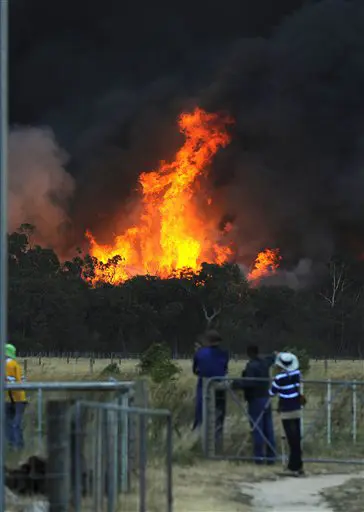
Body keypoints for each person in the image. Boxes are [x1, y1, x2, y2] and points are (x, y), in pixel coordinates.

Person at [233, 344, 276, 464]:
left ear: (249, 353)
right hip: (266, 398)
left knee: (257, 429)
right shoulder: (264, 363)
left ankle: (259, 458)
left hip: (255, 399)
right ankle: (271, 457)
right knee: (269, 429)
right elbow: (271, 358)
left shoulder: (251, 366)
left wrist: (236, 383)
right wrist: (274, 354)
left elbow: (250, 382)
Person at [269, 352, 304, 476]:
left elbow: (272, 392)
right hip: (297, 408)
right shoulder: (297, 374)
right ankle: (298, 465)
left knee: (291, 439)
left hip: (286, 410)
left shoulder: (279, 378)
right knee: (297, 439)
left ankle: (293, 467)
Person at [192, 330, 229, 444]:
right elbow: (224, 369)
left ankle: (198, 439)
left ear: (207, 340)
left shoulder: (200, 353)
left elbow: (195, 370)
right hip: (219, 385)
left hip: (204, 385)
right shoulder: (224, 353)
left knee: (201, 412)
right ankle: (217, 440)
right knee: (219, 413)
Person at [5, 343, 27, 450]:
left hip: (12, 398)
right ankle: (18, 445)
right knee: (15, 424)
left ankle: (15, 445)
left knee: (11, 424)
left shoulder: (8, 364)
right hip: (18, 398)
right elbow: (21, 380)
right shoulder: (15, 364)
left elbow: (10, 380)